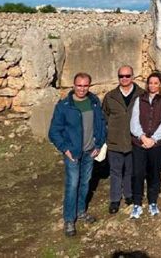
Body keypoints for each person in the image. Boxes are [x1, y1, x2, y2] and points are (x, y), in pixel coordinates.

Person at [48, 72, 106, 237]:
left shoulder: (94, 102)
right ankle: (68, 219)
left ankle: (81, 211)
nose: (82, 89)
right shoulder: (64, 105)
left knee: (85, 183)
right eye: (79, 85)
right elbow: (54, 132)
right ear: (73, 86)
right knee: (72, 185)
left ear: (89, 86)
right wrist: (65, 149)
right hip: (72, 153)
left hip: (90, 151)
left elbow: (101, 124)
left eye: (85, 85)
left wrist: (99, 144)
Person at [101, 65, 144, 214]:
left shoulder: (141, 94)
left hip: (134, 140)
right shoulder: (110, 96)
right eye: (121, 76)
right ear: (118, 77)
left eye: (127, 76)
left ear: (132, 76)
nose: (124, 79)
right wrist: (111, 130)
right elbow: (105, 115)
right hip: (115, 139)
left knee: (130, 170)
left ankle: (129, 194)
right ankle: (114, 199)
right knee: (116, 171)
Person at [129, 72, 161, 219]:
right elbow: (134, 121)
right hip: (139, 143)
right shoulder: (140, 99)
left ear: (160, 84)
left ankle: (153, 201)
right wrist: (142, 137)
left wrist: (153, 139)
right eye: (150, 83)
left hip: (156, 144)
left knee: (154, 173)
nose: (152, 85)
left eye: (155, 83)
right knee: (138, 173)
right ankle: (137, 203)